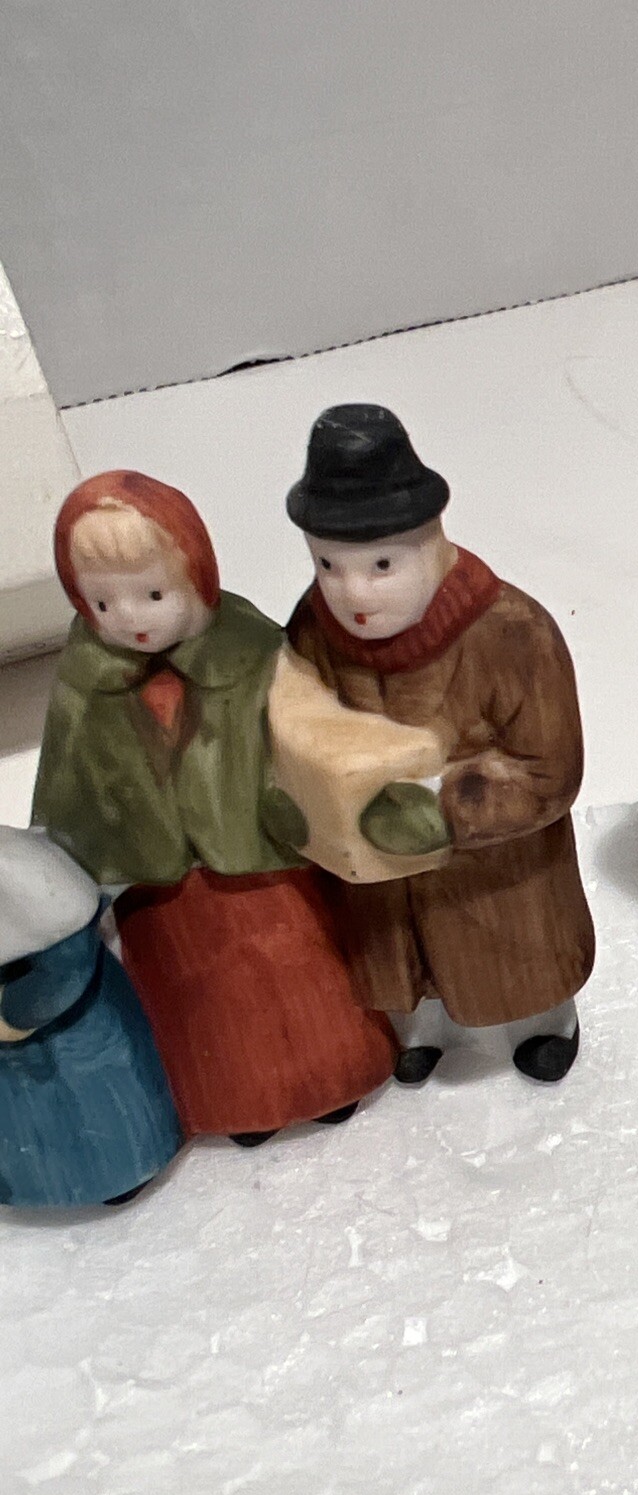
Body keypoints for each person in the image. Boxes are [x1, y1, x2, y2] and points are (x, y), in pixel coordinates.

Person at [31, 470, 396, 1142]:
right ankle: (239, 1107)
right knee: (203, 1002)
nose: (133, 618)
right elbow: (66, 788)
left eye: (153, 594)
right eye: (105, 603)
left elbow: (311, 735)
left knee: (301, 973)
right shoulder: (85, 684)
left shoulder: (252, 651)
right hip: (164, 894)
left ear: (197, 575)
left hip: (267, 865)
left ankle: (335, 1079)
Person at [281, 403, 595, 1086]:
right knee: (403, 962)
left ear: (430, 540)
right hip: (379, 876)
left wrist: (438, 801)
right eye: (328, 564)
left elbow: (551, 770)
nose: (353, 592)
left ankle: (544, 1024)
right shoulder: (312, 628)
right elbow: (296, 720)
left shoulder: (512, 631)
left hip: (495, 870)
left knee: (513, 957)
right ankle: (424, 1029)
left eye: (381, 565)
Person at [0, 825, 182, 1207]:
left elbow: (66, 962)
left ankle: (120, 1170)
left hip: (70, 1040)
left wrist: (15, 1016)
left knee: (96, 1116)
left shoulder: (17, 868)